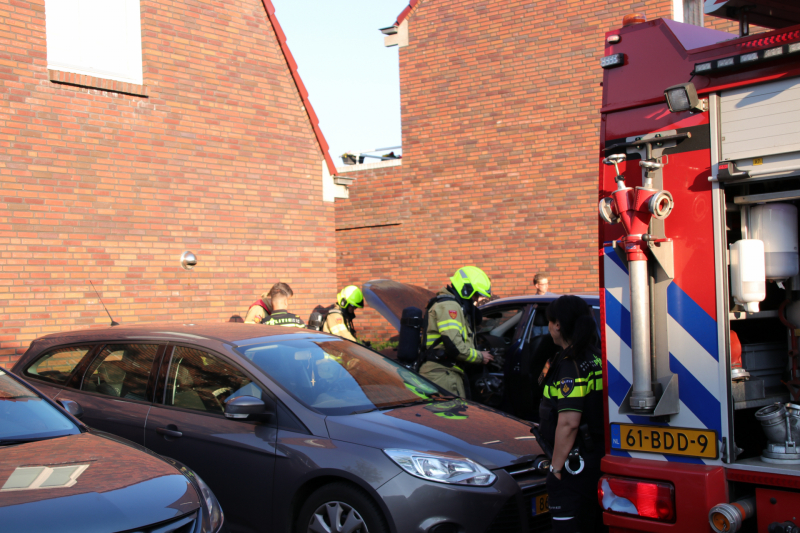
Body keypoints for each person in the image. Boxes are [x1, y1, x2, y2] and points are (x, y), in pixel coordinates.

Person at [538, 295, 604, 532]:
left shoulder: (570, 364)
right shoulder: (596, 355)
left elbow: (568, 423)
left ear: (557, 325)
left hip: (575, 463)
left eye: (549, 322)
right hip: (596, 456)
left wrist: (555, 469)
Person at [419, 266, 495, 398]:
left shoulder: (455, 305)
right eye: (476, 294)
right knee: (451, 416)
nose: (477, 300)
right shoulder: (450, 307)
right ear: (466, 289)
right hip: (442, 375)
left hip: (448, 372)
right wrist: (480, 356)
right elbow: (454, 346)